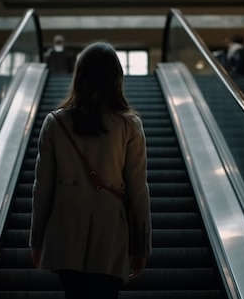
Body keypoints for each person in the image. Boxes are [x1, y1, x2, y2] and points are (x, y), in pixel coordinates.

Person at [30, 41, 151, 299]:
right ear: (116, 78)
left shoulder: (55, 123)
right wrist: (141, 246)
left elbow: (43, 188)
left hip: (65, 228)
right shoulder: (129, 126)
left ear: (79, 76)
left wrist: (37, 239)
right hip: (111, 230)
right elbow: (138, 189)